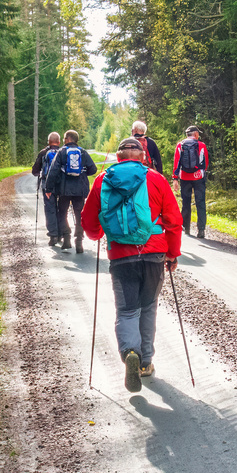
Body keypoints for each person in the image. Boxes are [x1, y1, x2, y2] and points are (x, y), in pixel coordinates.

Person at [81, 136, 182, 392]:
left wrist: (97, 235)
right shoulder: (156, 179)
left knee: (127, 311)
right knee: (148, 307)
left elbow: (89, 223)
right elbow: (174, 220)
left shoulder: (103, 180)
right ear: (142, 156)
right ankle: (146, 362)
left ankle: (130, 354)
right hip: (154, 254)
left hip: (121, 256)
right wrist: (173, 253)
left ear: (118, 156)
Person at [44, 129, 97, 253]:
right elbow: (93, 169)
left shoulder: (62, 152)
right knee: (79, 215)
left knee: (62, 212)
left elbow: (53, 171)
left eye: (64, 138)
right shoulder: (83, 152)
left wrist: (49, 188)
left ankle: (66, 237)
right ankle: (79, 241)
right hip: (80, 191)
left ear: (67, 139)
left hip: (64, 190)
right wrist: (82, 173)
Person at [172, 125, 209, 238]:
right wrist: (201, 171)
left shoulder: (180, 145)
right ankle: (201, 230)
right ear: (196, 134)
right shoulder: (201, 145)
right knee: (200, 203)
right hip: (198, 178)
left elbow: (177, 162)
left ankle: (186, 227)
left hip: (184, 178)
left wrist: (175, 179)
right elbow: (205, 163)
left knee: (186, 202)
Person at [31, 131, 61, 245]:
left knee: (50, 209)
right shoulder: (62, 152)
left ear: (48, 142)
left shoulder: (43, 152)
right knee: (61, 210)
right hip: (61, 186)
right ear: (59, 142)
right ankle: (61, 234)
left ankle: (53, 235)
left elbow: (34, 171)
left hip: (47, 185)